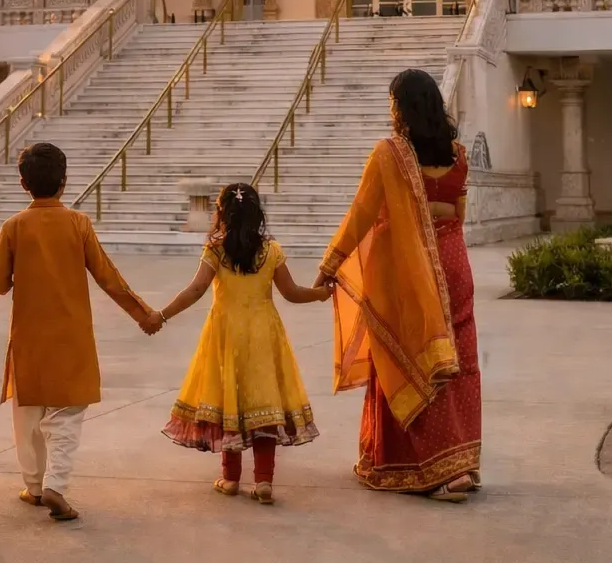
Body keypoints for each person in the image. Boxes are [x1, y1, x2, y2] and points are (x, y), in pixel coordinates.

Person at [317, 68, 481, 503]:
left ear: (402, 108)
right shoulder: (459, 156)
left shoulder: (389, 155)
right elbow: (456, 217)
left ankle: (429, 470)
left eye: (393, 102)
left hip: (411, 274)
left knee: (408, 358)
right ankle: (461, 462)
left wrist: (331, 263)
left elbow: (361, 215)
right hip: (456, 266)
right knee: (456, 362)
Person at [0, 142, 162, 521]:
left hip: (28, 338)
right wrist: (143, 313)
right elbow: (108, 277)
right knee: (65, 417)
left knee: (27, 414)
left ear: (22, 183)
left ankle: (33, 487)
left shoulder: (14, 226)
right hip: (71, 337)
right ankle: (56, 485)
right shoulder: (78, 223)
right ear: (64, 182)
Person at [156, 183, 330, 505]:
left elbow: (195, 290)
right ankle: (264, 481)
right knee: (264, 403)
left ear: (221, 213)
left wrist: (161, 315)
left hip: (225, 333)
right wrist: (320, 294)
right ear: (257, 213)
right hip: (264, 333)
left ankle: (230, 478)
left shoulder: (216, 249)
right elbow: (292, 293)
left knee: (229, 401)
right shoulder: (270, 250)